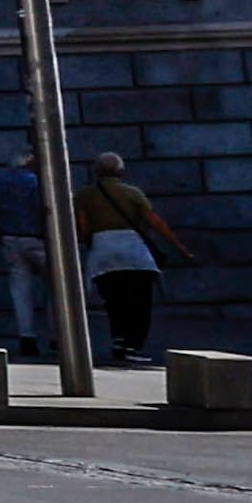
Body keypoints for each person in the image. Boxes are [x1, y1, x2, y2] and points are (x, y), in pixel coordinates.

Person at [78, 149, 195, 368]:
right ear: (121, 171)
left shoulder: (84, 195)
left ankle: (118, 341)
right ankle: (133, 345)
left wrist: (89, 241)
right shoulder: (133, 193)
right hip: (133, 254)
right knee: (140, 302)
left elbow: (82, 227)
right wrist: (179, 247)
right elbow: (154, 222)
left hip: (103, 254)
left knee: (114, 301)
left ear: (96, 171)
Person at [0, 148, 50, 359]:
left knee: (20, 291)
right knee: (57, 289)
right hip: (38, 239)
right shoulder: (37, 182)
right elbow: (44, 209)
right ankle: (58, 335)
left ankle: (26, 337)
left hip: (10, 238)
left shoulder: (0, 182)